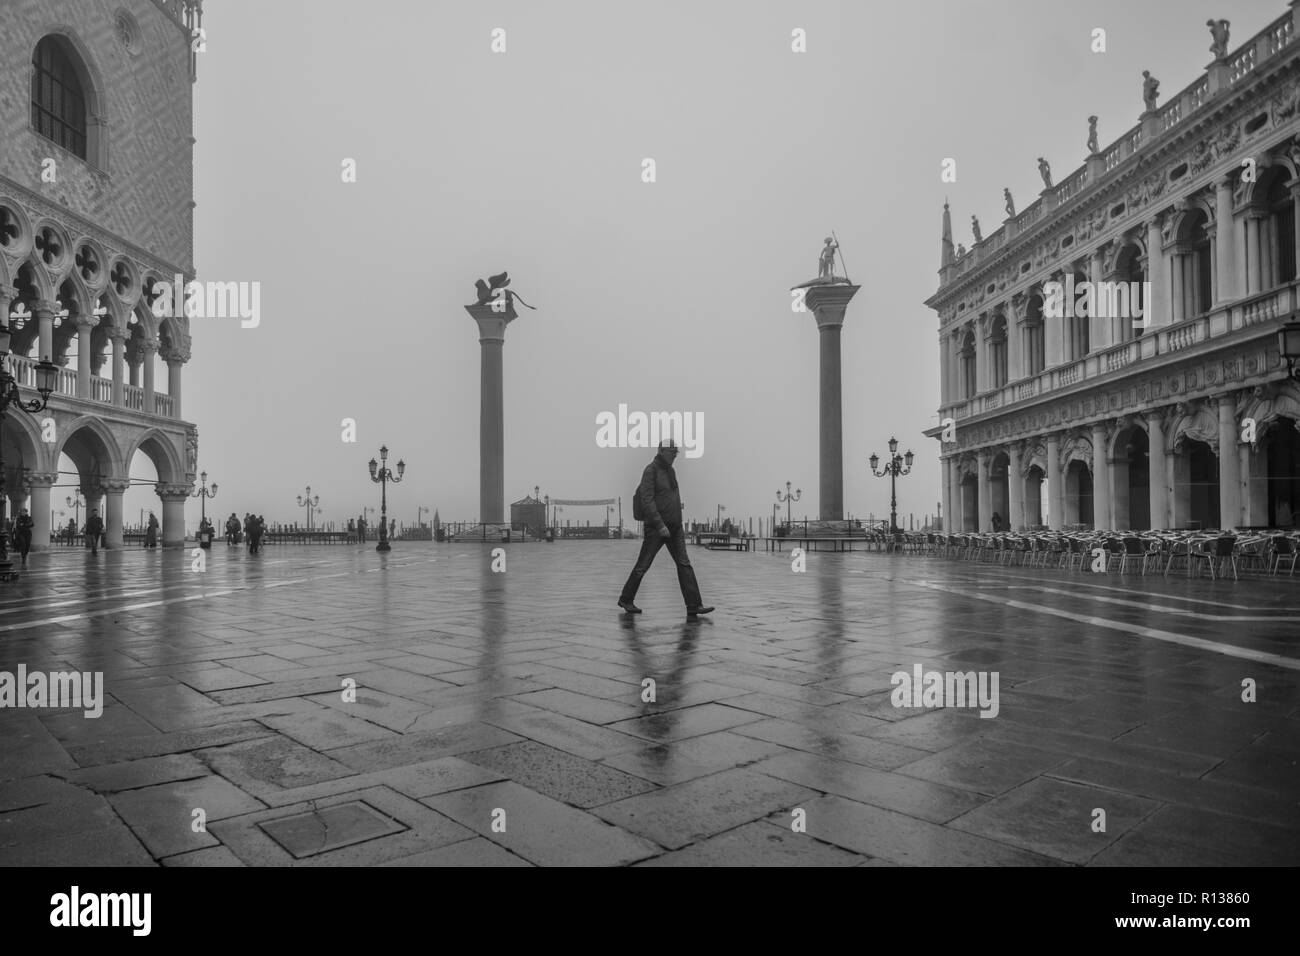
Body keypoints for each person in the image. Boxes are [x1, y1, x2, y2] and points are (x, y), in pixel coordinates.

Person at [618, 438, 714, 617]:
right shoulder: (650, 471)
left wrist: (677, 522)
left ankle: (694, 605)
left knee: (684, 564)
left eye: (676, 453)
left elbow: (671, 499)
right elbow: (647, 500)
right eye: (672, 452)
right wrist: (660, 524)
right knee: (643, 565)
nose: (674, 456)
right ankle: (626, 599)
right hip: (656, 528)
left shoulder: (671, 471)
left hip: (675, 528)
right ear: (661, 451)